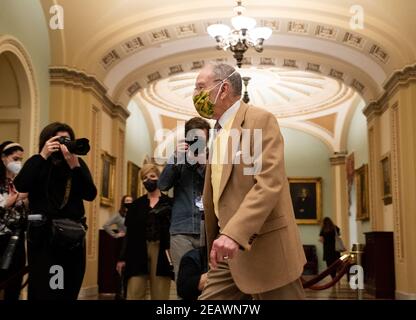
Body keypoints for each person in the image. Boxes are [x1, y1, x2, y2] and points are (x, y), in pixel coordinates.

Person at [194, 63, 306, 300]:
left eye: (200, 87)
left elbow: (268, 183)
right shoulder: (217, 132)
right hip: (225, 251)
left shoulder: (259, 120)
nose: (195, 94)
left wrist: (234, 234)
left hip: (266, 249)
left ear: (222, 89)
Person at [14, 122, 97, 300]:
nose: (63, 144)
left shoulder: (76, 164)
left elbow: (90, 194)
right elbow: (21, 184)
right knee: (47, 290)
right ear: (46, 141)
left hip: (72, 238)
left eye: (67, 140)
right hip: (44, 239)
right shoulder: (38, 163)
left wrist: (75, 166)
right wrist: (42, 155)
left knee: (69, 289)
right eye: (58, 139)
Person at [158, 117, 210, 280]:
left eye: (202, 139)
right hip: (182, 231)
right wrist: (176, 157)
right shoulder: (178, 158)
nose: (198, 143)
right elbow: (163, 185)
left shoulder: (213, 160)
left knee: (209, 283)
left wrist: (203, 163)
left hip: (208, 231)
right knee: (185, 282)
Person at [116, 164, 173, 300]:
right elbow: (128, 234)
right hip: (137, 251)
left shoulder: (169, 203)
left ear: (159, 178)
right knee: (134, 292)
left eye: (152, 176)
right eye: (145, 178)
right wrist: (122, 258)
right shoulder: (136, 205)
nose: (149, 180)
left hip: (161, 252)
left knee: (160, 294)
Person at [0, 141, 27, 300]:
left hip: (17, 236)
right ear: (3, 157)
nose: (18, 163)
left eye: (20, 160)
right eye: (15, 159)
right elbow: (4, 204)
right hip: (1, 237)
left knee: (15, 280)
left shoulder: (17, 183)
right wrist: (17, 197)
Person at [102, 195, 132, 300]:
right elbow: (106, 225)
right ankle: (120, 294)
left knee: (131, 269)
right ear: (123, 202)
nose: (129, 202)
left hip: (133, 243)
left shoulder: (135, 213)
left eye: (131, 201)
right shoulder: (119, 215)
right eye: (127, 201)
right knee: (120, 270)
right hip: (122, 244)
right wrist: (116, 235)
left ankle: (129, 293)